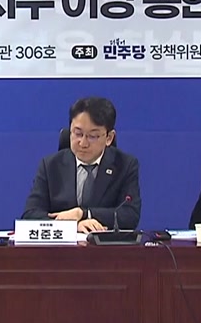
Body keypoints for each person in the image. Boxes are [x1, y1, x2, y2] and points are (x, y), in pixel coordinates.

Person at [22, 96, 141, 232]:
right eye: (78, 133)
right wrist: (72, 227)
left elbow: (130, 215)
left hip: (103, 244)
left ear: (109, 137)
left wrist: (84, 214)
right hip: (63, 245)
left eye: (92, 136)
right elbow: (30, 215)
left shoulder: (125, 165)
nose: (83, 143)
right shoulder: (50, 166)